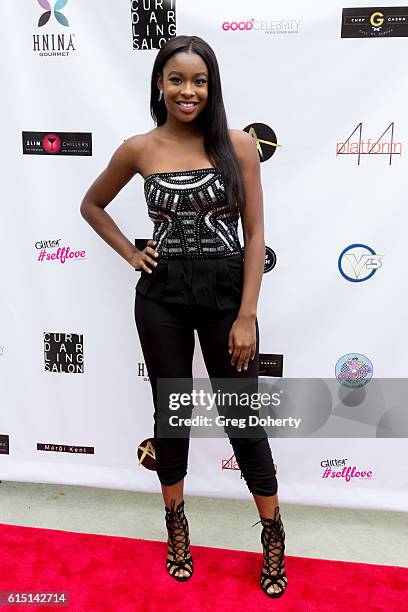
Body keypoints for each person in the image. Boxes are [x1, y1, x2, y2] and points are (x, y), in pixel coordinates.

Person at [80, 34, 288, 599]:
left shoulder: (240, 146)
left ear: (211, 86)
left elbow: (256, 233)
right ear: (159, 85)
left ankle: (272, 534)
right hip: (163, 298)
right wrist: (131, 252)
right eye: (176, 79)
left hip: (227, 298)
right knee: (171, 417)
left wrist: (247, 315)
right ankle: (177, 527)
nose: (187, 90)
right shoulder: (139, 148)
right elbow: (91, 205)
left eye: (198, 80)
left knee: (244, 420)